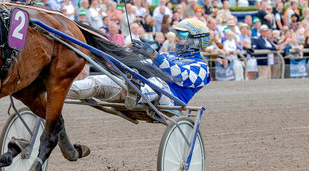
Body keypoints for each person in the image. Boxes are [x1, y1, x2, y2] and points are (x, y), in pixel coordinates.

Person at [67, 18, 211, 106]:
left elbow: (178, 75)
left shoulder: (201, 67)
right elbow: (146, 65)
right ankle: (53, 92)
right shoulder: (169, 55)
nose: (177, 38)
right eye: (177, 34)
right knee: (97, 82)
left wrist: (153, 54)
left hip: (169, 98)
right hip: (141, 85)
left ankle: (136, 91)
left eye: (183, 35)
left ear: (195, 40)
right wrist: (127, 56)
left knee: (156, 82)